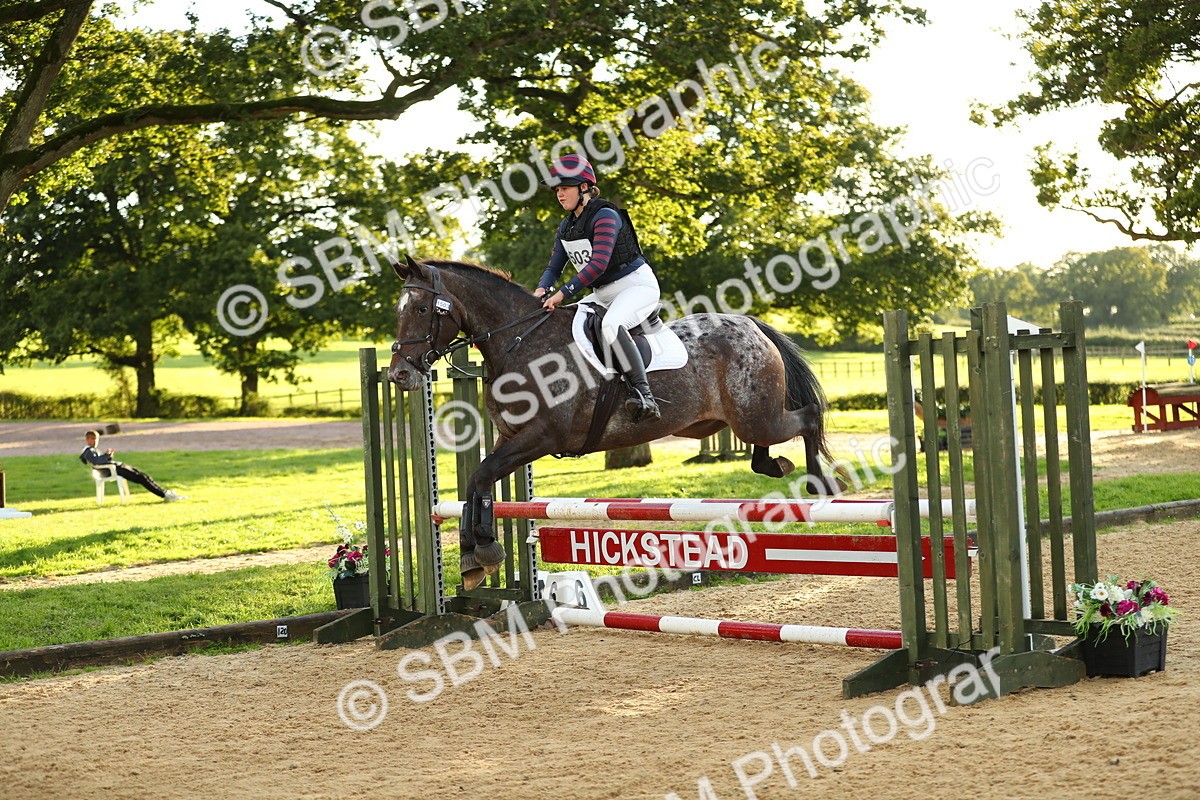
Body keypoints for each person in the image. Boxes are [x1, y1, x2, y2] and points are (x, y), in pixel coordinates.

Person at [535, 154, 662, 421]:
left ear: (584, 187)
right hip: (602, 293)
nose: (559, 194)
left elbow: (598, 265)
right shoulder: (566, 226)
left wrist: (561, 294)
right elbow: (553, 268)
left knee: (611, 325)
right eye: (557, 190)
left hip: (636, 286)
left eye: (565, 188)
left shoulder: (605, 215)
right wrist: (541, 291)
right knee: (561, 321)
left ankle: (645, 396)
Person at [79, 430, 185, 502]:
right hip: (112, 470)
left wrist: (109, 456)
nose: (95, 441)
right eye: (93, 439)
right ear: (87, 440)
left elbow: (100, 461)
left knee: (143, 475)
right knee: (141, 478)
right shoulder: (88, 451)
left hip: (115, 467)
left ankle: (165, 492)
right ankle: (165, 495)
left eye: (96, 439)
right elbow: (97, 462)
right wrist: (106, 455)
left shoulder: (92, 450)